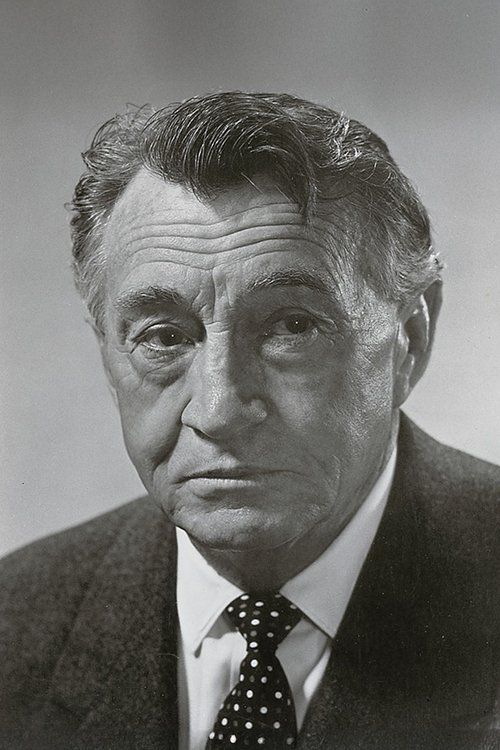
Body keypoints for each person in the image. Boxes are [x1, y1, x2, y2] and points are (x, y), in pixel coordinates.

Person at [0, 92, 498, 750]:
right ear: (107, 352)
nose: (219, 411)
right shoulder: (15, 624)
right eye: (163, 337)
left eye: (292, 327)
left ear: (410, 338)